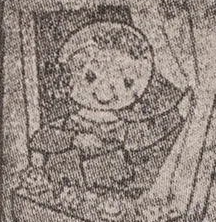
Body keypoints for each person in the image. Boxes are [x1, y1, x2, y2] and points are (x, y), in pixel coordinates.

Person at [28, 21, 191, 197]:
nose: (105, 92)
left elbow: (150, 143)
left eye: (126, 82)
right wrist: (74, 139)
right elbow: (39, 138)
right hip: (64, 194)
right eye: (91, 77)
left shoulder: (128, 124)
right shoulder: (73, 119)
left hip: (105, 196)